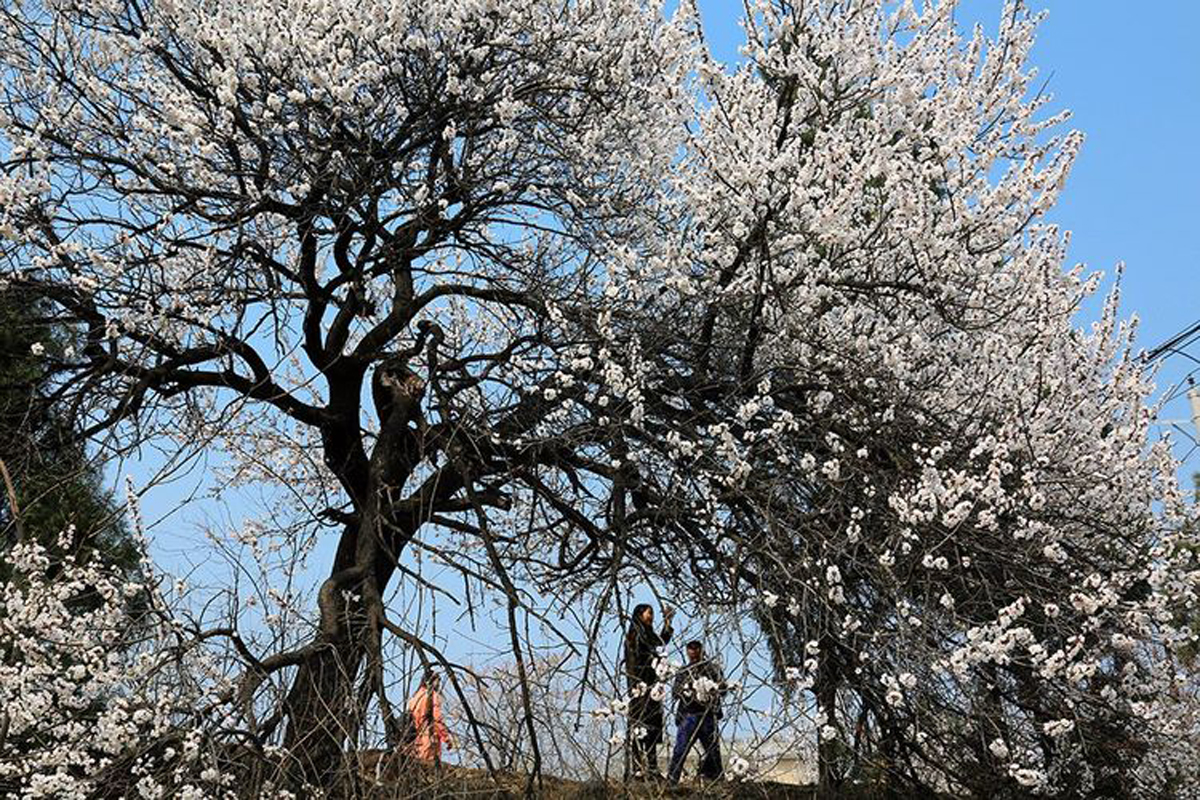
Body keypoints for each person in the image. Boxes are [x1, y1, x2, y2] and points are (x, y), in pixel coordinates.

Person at [623, 602, 674, 779]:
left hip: (652, 688)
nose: (651, 616)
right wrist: (636, 685)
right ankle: (637, 769)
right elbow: (634, 663)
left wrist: (667, 622)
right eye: (648, 613)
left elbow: (660, 642)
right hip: (639, 689)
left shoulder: (647, 635)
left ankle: (651, 768)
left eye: (652, 613)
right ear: (639, 615)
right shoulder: (634, 636)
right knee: (639, 729)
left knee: (652, 729)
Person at [667, 640, 725, 784]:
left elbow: (722, 689)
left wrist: (712, 688)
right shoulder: (683, 672)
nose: (693, 655)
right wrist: (688, 689)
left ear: (701, 651)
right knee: (680, 750)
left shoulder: (712, 669)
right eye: (690, 652)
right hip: (688, 715)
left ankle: (717, 779)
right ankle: (672, 780)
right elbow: (675, 693)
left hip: (707, 715)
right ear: (687, 653)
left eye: (696, 651)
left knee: (713, 751)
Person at [406, 671, 454, 764]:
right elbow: (437, 719)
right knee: (429, 766)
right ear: (432, 681)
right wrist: (446, 737)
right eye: (437, 681)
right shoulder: (432, 696)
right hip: (429, 736)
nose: (439, 684)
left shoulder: (415, 697)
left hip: (416, 738)